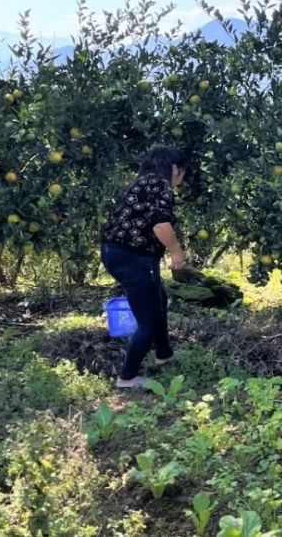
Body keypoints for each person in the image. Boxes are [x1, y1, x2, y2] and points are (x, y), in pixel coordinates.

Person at [101, 146, 188, 389]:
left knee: (158, 299)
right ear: (173, 169)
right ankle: (127, 378)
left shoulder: (140, 183)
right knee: (148, 322)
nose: (181, 180)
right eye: (182, 174)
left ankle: (164, 353)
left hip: (119, 253)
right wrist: (177, 251)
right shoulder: (160, 185)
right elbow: (161, 225)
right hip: (133, 258)